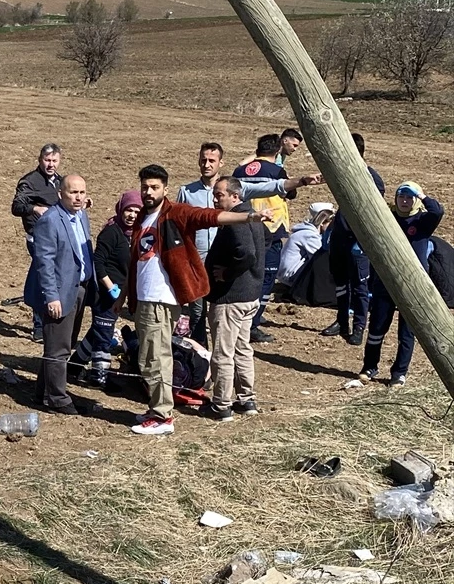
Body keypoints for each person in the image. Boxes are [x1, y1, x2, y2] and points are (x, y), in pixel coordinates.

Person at [126, 164, 273, 436]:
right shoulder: (142, 220)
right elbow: (136, 263)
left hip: (161, 299)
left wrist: (250, 217)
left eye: (154, 187)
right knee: (148, 357)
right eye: (145, 187)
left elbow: (208, 216)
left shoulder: (175, 213)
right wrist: (124, 296)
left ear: (165, 189)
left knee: (157, 358)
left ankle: (162, 417)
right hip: (143, 299)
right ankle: (156, 408)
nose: (148, 192)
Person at [177, 141, 320, 344]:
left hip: (225, 263)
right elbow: (181, 225)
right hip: (198, 261)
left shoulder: (235, 188)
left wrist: (302, 181)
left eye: (211, 160)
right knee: (198, 312)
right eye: (203, 160)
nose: (207, 164)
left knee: (222, 311)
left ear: (220, 163)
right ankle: (200, 356)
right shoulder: (187, 191)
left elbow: (271, 186)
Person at [359, 183, 444, 387]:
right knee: (377, 327)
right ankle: (369, 367)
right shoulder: (388, 218)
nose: (405, 201)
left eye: (409, 198)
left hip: (414, 284)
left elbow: (438, 211)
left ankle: (399, 373)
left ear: (415, 200)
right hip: (386, 280)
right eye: (401, 197)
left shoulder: (423, 221)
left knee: (407, 332)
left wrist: (422, 195)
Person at [24, 174, 95, 414]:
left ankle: (42, 392)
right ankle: (58, 399)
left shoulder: (81, 216)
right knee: (58, 349)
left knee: (61, 344)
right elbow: (44, 262)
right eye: (73, 192)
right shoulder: (50, 221)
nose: (78, 197)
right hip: (59, 293)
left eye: (82, 193)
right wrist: (51, 297)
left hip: (78, 288)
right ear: (60, 194)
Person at [201, 178, 269, 421]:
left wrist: (226, 273)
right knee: (242, 349)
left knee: (223, 352)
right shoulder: (253, 216)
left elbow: (247, 254)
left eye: (219, 195)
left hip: (231, 298)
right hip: (249, 296)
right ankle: (247, 399)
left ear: (235, 197)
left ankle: (221, 405)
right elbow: (261, 247)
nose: (215, 200)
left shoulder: (235, 223)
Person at [321, 132, 386, 344]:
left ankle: (359, 326)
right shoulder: (342, 174)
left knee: (360, 286)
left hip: (359, 241)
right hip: (340, 236)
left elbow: (375, 212)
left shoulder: (371, 179)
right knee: (340, 281)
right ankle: (341, 320)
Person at [235, 133, 298, 343]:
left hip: (244, 227)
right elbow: (290, 193)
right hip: (271, 227)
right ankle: (253, 324)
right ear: (277, 150)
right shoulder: (277, 171)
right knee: (266, 277)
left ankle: (239, 320)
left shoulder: (240, 170)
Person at [74, 190, 140, 386]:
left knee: (97, 330)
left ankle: (74, 366)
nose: (132, 215)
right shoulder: (112, 232)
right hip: (105, 294)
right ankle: (99, 377)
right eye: (129, 210)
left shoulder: (134, 234)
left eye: (137, 211)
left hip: (120, 292)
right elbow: (98, 262)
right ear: (121, 209)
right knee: (104, 335)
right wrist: (110, 287)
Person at [12, 143, 63, 341]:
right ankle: (39, 326)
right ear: (40, 160)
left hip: (58, 238)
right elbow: (17, 206)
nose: (51, 165)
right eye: (47, 160)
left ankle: (52, 320)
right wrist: (34, 209)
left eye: (54, 161)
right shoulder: (29, 181)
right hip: (38, 238)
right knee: (44, 278)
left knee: (54, 277)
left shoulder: (60, 181)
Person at [278, 202, 335, 290]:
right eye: (330, 224)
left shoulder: (308, 231)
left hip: (286, 274)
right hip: (290, 277)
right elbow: (322, 258)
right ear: (323, 222)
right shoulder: (309, 235)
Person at [238, 127, 303, 168]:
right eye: (294, 145)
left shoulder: (282, 155)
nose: (295, 149)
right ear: (285, 141)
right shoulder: (271, 151)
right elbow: (242, 164)